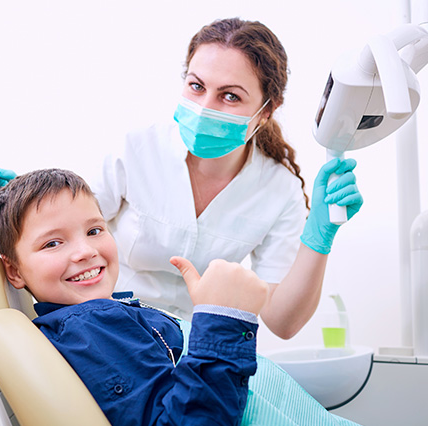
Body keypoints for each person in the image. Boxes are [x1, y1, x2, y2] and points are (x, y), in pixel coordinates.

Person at [0, 168, 361, 426]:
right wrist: (222, 321)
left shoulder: (103, 316)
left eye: (94, 229)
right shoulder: (93, 327)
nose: (85, 251)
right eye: (53, 243)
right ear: (15, 271)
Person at [92, 17, 364, 336]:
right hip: (112, 330)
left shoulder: (278, 189)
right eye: (196, 86)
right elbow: (66, 236)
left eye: (230, 96)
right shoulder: (136, 150)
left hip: (196, 348)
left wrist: (319, 237)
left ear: (265, 110)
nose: (205, 107)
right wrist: (20, 206)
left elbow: (282, 322)